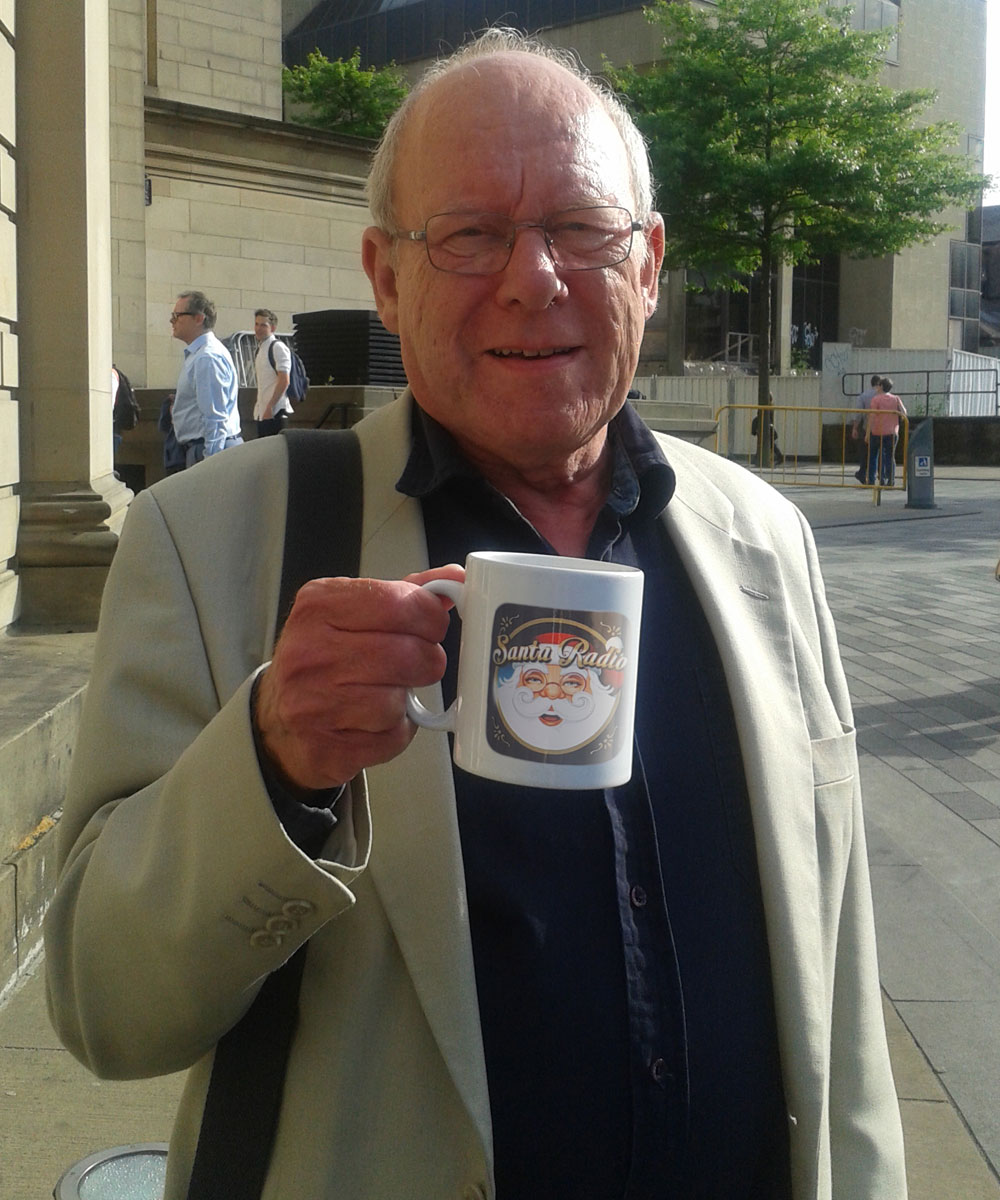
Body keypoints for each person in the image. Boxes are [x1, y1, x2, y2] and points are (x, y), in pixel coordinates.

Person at [44, 31, 906, 1200]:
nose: (532, 276)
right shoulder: (212, 544)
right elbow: (107, 1012)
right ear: (385, 275)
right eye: (469, 235)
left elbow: (838, 995)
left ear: (647, 263)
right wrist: (274, 770)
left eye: (579, 229)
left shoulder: (763, 541)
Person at [168, 290, 242, 467]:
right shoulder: (202, 354)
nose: (172, 321)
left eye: (177, 315)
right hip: (206, 448)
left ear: (199, 319)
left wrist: (211, 463)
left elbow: (215, 417)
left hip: (209, 451)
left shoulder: (207, 358)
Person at [252, 307, 293, 438]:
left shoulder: (277, 347)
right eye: (256, 324)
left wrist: (270, 406)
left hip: (275, 412)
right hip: (263, 412)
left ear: (273, 328)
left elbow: (284, 380)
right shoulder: (261, 349)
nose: (258, 328)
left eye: (263, 325)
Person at [866, 377, 907, 486]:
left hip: (877, 431)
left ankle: (871, 479)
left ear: (881, 386)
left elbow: (872, 416)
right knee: (890, 456)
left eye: (879, 385)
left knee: (873, 456)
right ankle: (890, 479)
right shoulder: (896, 398)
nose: (877, 387)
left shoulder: (876, 399)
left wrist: (867, 432)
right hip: (892, 432)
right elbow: (904, 412)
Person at [852, 374, 882, 482]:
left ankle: (863, 473)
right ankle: (882, 476)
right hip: (883, 428)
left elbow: (858, 413)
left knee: (867, 452)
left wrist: (855, 428)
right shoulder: (884, 395)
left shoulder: (863, 396)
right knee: (881, 452)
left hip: (867, 427)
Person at [751, 392, 784, 467]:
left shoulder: (768, 407)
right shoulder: (770, 406)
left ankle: (779, 457)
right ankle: (756, 458)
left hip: (767, 428)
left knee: (768, 444)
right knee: (769, 444)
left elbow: (762, 416)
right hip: (767, 427)